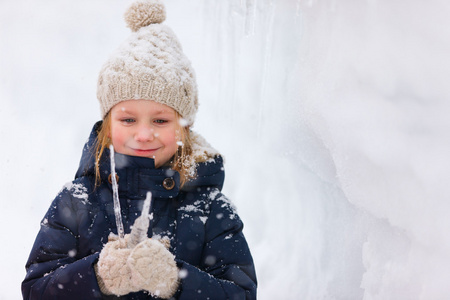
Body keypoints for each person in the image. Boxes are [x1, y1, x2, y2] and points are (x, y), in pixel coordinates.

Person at [21, 1, 257, 299]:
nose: (144, 134)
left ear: (183, 125)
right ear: (108, 124)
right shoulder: (76, 201)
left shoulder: (210, 209)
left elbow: (242, 294)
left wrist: (175, 281)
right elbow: (36, 291)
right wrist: (97, 276)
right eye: (128, 119)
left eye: (160, 120)